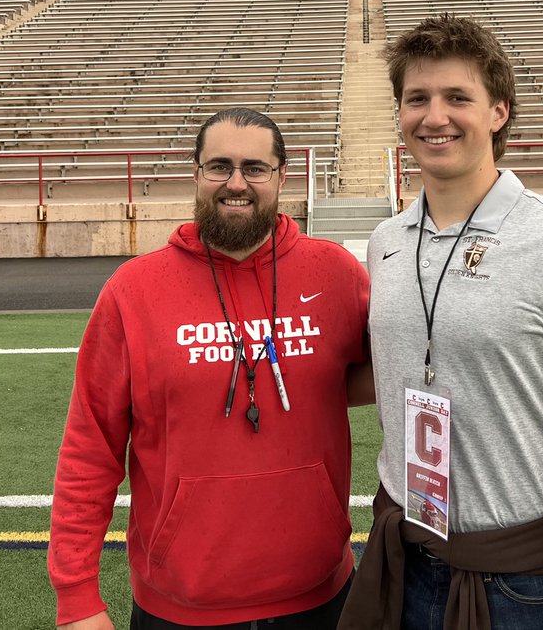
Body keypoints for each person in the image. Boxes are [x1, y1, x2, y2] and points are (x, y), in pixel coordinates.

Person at [340, 15, 543, 630]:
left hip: (530, 581)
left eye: (459, 97)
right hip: (407, 561)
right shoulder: (385, 241)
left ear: (499, 112)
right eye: (418, 98)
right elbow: (389, 371)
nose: (435, 117)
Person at [50, 108, 370, 630]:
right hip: (179, 611)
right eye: (219, 166)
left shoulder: (336, 274)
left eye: (255, 168)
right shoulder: (133, 291)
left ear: (282, 176)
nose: (236, 183)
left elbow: (405, 370)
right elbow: (90, 446)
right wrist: (76, 595)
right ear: (196, 174)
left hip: (322, 599)